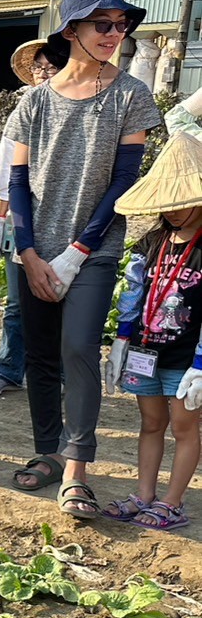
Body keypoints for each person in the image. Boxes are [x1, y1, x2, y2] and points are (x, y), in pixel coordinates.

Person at [5, 0, 161, 517]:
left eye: (121, 25)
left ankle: (76, 468)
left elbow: (123, 181)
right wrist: (28, 252)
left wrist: (75, 252)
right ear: (71, 29)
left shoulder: (132, 96)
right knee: (40, 355)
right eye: (103, 24)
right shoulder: (33, 102)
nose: (114, 34)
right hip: (32, 248)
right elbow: (19, 183)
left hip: (93, 250)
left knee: (77, 349)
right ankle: (47, 450)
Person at [102, 133, 202, 530]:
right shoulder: (152, 241)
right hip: (147, 350)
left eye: (183, 201)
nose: (174, 210)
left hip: (187, 356)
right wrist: (121, 341)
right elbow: (133, 292)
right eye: (169, 202)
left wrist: (201, 363)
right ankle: (144, 494)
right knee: (150, 423)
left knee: (184, 426)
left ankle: (173, 502)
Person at [0, 41, 68, 396]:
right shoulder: (25, 109)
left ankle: (55, 374)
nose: (44, 74)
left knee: (57, 297)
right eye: (39, 68)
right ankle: (9, 370)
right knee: (16, 301)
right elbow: (6, 167)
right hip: (21, 216)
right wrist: (0, 217)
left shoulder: (80, 110)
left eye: (52, 67)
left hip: (60, 218)